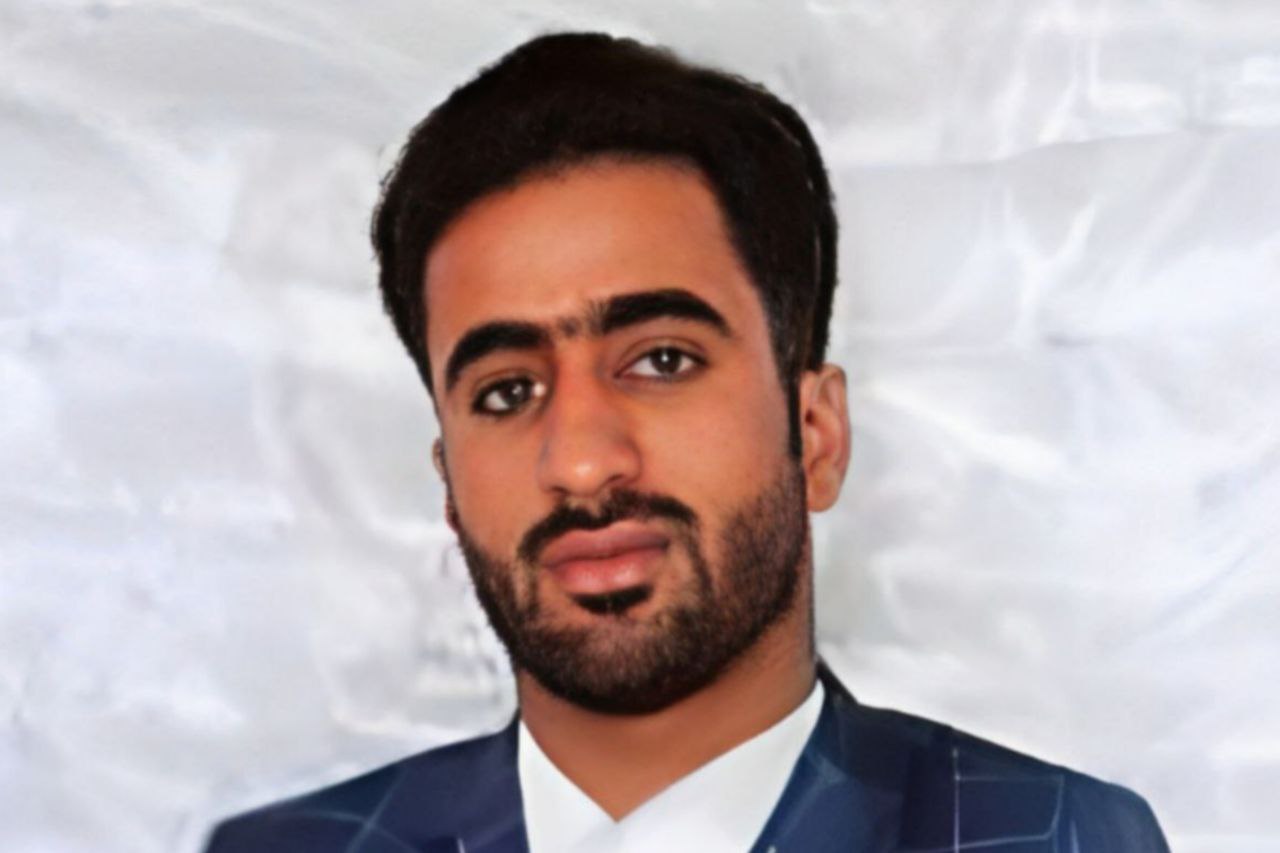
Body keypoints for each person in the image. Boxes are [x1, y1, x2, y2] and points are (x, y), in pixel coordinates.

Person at [205, 32, 1169, 852]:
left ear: (816, 433)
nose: (581, 463)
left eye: (661, 360)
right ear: (449, 483)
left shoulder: (1055, 835)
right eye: (507, 391)